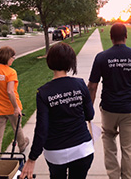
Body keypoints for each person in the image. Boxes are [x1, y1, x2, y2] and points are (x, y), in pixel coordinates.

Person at [20, 42, 95, 179]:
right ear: (71, 62)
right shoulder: (80, 84)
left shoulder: (43, 92)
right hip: (82, 149)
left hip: (56, 153)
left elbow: (42, 129)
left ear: (50, 62)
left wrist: (32, 159)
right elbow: (90, 114)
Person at [88, 23, 131, 179]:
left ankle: (113, 175)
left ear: (111, 37)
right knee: (130, 149)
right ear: (126, 36)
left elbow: (92, 87)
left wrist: (89, 109)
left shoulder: (102, 57)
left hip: (109, 109)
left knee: (108, 141)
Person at [0, 46, 29, 155]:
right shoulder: (11, 72)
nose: (13, 59)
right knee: (17, 128)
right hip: (11, 108)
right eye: (13, 57)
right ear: (8, 57)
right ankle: (22, 145)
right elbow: (10, 91)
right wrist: (16, 107)